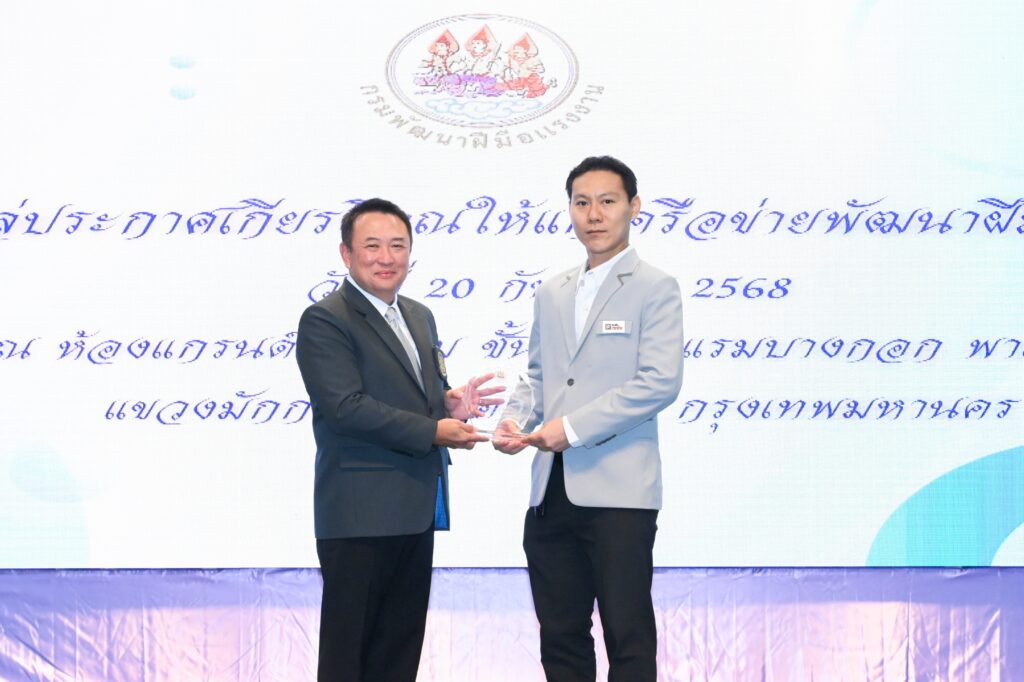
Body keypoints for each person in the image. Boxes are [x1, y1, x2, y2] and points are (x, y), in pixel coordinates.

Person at [492, 157, 684, 681]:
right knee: (559, 636)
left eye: (607, 201)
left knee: (628, 637)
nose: (593, 214)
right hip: (550, 493)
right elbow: (539, 374)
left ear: (633, 207)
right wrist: (513, 421)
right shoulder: (551, 291)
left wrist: (571, 429)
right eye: (582, 203)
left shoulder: (655, 287)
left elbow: (659, 382)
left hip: (620, 496)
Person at [296, 197, 499, 682]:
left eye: (398, 246)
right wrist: (433, 430)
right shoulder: (326, 319)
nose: (386, 258)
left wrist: (447, 405)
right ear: (346, 254)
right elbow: (345, 408)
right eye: (372, 246)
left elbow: (411, 396)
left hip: (415, 507)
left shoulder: (418, 315)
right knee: (349, 657)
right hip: (359, 514)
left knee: (399, 654)